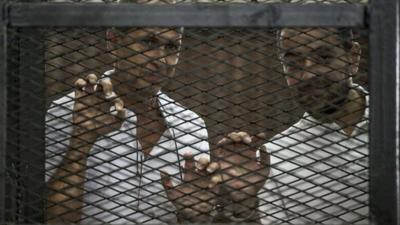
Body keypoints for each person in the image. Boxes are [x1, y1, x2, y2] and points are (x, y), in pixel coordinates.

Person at [44, 14, 217, 224]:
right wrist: (81, 142)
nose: (160, 60)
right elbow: (49, 219)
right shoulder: (67, 111)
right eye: (148, 42)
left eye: (171, 47)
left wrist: (193, 216)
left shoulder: (191, 125)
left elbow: (197, 215)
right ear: (114, 41)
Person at [259, 28, 368, 224]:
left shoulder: (392, 125)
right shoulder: (275, 157)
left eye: (323, 57)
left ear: (353, 59)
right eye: (293, 63)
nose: (307, 74)